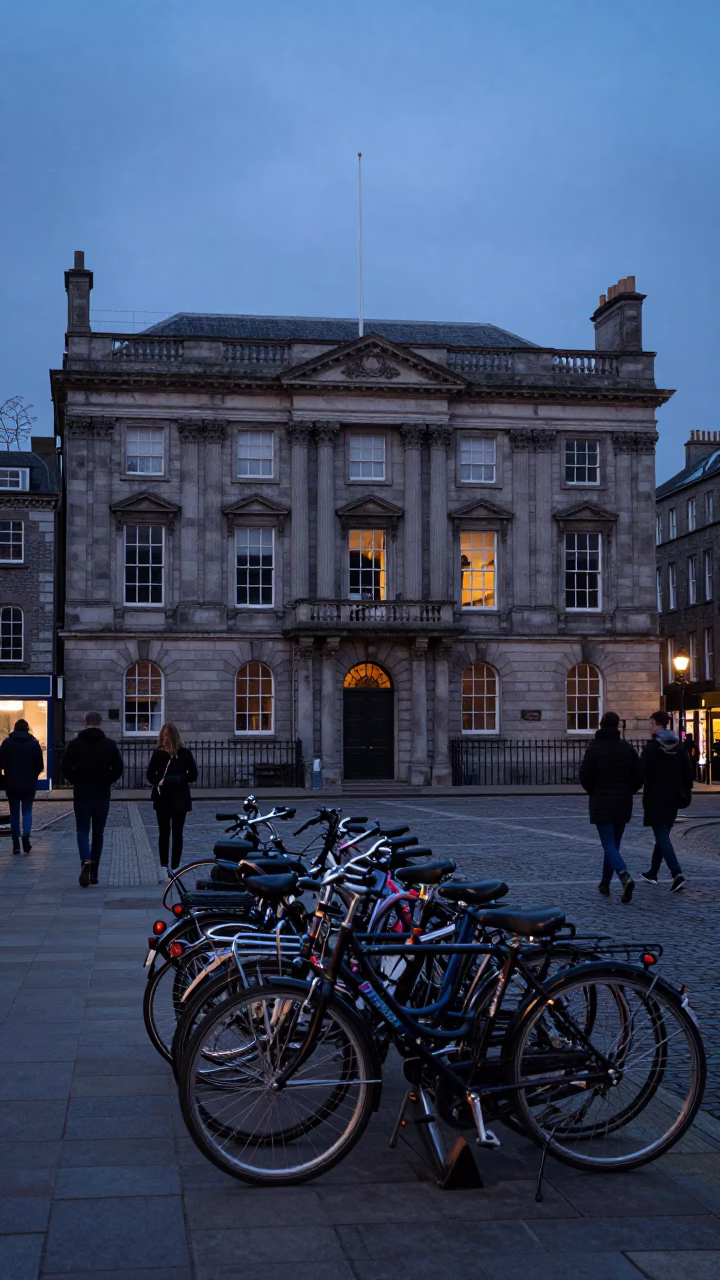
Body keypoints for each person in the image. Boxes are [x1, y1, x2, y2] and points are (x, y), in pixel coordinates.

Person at [579, 711, 643, 902]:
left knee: (609, 845)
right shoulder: (626, 748)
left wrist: (594, 791)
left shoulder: (594, 748)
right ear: (617, 726)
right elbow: (639, 774)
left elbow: (584, 776)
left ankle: (624, 876)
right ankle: (605, 883)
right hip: (622, 801)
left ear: (601, 725)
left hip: (601, 801)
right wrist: (629, 790)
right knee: (613, 845)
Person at [61, 712, 123, 887]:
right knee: (98, 833)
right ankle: (94, 870)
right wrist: (107, 779)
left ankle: (85, 860)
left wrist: (74, 779)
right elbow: (118, 768)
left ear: (85, 722)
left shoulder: (75, 744)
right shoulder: (109, 745)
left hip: (82, 793)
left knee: (82, 830)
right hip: (102, 793)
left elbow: (64, 766)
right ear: (100, 723)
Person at [640, 710, 692, 892]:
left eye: (652, 724)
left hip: (655, 797)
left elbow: (642, 772)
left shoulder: (652, 748)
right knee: (662, 836)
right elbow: (688, 773)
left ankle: (676, 873)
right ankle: (653, 872)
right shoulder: (679, 747)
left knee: (661, 835)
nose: (650, 727)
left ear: (658, 725)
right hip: (673, 797)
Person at [146, 724, 198, 878]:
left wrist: (175, 779)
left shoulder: (184, 753)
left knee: (173, 833)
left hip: (175, 797)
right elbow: (150, 775)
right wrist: (160, 781)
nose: (165, 739)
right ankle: (168, 866)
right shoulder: (159, 754)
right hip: (167, 797)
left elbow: (193, 774)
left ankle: (172, 866)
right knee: (168, 833)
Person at [0, 719, 44, 855]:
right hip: (29, 783)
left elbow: (0, 763)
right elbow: (40, 766)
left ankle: (15, 843)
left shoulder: (7, 743)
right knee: (27, 811)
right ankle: (26, 836)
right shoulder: (34, 743)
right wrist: (34, 775)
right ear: (27, 729)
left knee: (14, 813)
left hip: (11, 782)